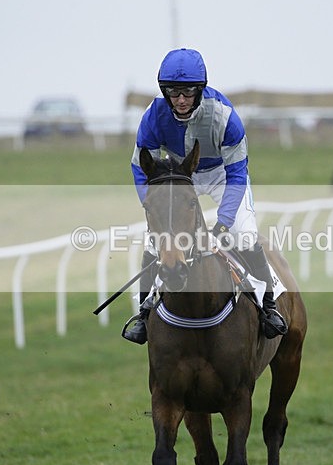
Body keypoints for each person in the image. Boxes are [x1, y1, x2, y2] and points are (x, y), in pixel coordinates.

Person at [122, 48, 287, 344]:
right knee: (157, 241)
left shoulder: (225, 117)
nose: (181, 99)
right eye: (173, 92)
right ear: (164, 91)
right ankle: (143, 315)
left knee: (244, 235)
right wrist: (154, 208)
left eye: (187, 92)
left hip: (223, 175)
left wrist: (223, 223)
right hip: (179, 177)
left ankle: (269, 306)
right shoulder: (153, 116)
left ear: (200, 90)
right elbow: (139, 167)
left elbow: (237, 174)